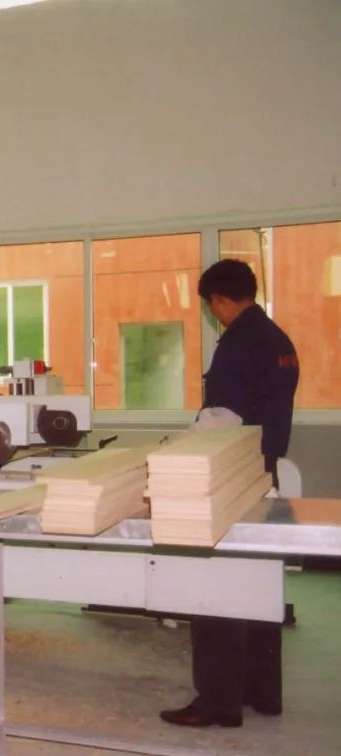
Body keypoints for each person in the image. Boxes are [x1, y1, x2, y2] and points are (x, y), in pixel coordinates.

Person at [160, 259, 299, 728]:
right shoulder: (277, 339)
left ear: (218, 301)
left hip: (227, 479)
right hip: (262, 474)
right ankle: (263, 692)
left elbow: (223, 420)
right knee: (258, 584)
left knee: (214, 585)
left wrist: (176, 448)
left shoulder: (237, 344)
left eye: (211, 305)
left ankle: (218, 702)